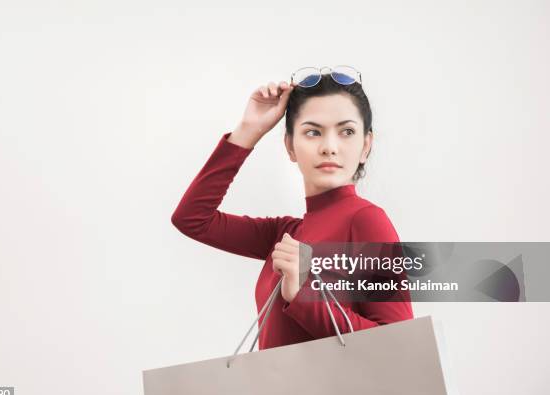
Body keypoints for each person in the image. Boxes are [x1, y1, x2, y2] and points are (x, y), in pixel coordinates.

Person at [171, 67, 413, 350]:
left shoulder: (367, 221)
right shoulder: (285, 234)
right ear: (290, 146)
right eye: (312, 132)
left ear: (365, 145)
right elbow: (192, 219)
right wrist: (249, 130)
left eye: (346, 131)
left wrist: (302, 295)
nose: (329, 147)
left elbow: (398, 344)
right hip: (275, 394)